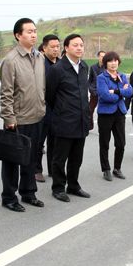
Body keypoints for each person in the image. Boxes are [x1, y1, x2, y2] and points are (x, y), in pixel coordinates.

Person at [0, 18, 46, 212]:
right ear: (18, 35)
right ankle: (9, 197)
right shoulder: (11, 60)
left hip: (37, 116)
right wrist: (9, 118)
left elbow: (42, 86)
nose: (33, 35)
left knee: (31, 158)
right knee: (12, 160)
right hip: (17, 120)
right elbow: (6, 93)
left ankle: (28, 192)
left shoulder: (40, 57)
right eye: (29, 31)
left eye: (35, 31)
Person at [46, 33, 91, 202]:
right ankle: (58, 188)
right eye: (75, 45)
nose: (79, 48)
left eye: (81, 45)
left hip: (81, 120)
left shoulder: (84, 66)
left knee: (76, 158)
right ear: (66, 48)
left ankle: (73, 185)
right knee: (60, 158)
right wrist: (62, 110)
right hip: (64, 121)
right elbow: (50, 96)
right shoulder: (57, 69)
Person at [96, 51, 133, 181]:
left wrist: (116, 91)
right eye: (110, 61)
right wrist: (121, 94)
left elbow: (130, 91)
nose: (113, 63)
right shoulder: (102, 78)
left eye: (115, 61)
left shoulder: (122, 76)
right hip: (105, 114)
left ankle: (117, 168)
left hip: (120, 113)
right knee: (104, 143)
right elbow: (105, 95)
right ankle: (106, 169)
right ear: (105, 63)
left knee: (121, 143)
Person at [35, 34, 60, 183]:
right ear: (44, 48)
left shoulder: (61, 64)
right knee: (39, 140)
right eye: (52, 47)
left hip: (57, 108)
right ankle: (37, 169)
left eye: (58, 46)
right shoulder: (39, 63)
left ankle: (52, 169)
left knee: (55, 141)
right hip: (42, 108)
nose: (56, 49)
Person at [88, 51, 105, 130]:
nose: (103, 58)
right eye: (101, 56)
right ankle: (89, 126)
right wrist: (91, 89)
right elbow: (90, 80)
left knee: (102, 112)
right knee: (90, 110)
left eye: (104, 56)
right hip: (94, 92)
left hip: (103, 93)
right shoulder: (93, 67)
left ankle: (102, 128)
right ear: (98, 57)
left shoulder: (107, 67)